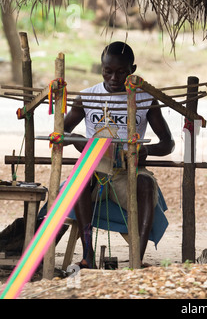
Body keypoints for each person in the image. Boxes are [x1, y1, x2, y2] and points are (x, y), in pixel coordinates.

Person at [63, 41, 175, 268]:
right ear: (101, 68)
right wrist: (81, 143)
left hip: (128, 170)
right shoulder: (87, 97)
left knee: (146, 184)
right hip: (96, 167)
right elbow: (61, 132)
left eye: (121, 72)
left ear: (132, 69)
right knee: (79, 181)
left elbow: (168, 144)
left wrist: (146, 150)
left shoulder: (145, 99)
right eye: (108, 71)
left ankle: (137, 259)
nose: (114, 78)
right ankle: (88, 254)